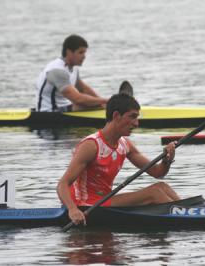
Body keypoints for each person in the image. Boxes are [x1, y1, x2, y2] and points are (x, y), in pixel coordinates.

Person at [57, 93, 180, 226]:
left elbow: (157, 173)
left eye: (137, 118)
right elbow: (62, 184)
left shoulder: (124, 145)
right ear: (116, 116)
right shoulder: (91, 146)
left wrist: (167, 160)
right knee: (154, 193)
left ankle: (189, 213)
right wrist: (72, 209)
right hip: (87, 206)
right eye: (132, 116)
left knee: (162, 187)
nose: (136, 123)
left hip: (105, 201)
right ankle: (185, 220)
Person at [35, 34, 108, 112]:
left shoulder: (73, 67)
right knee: (86, 103)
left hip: (64, 108)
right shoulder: (57, 71)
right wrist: (105, 101)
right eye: (80, 52)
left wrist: (103, 102)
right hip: (49, 112)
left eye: (84, 53)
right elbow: (78, 99)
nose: (84, 56)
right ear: (69, 52)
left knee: (96, 104)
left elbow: (83, 89)